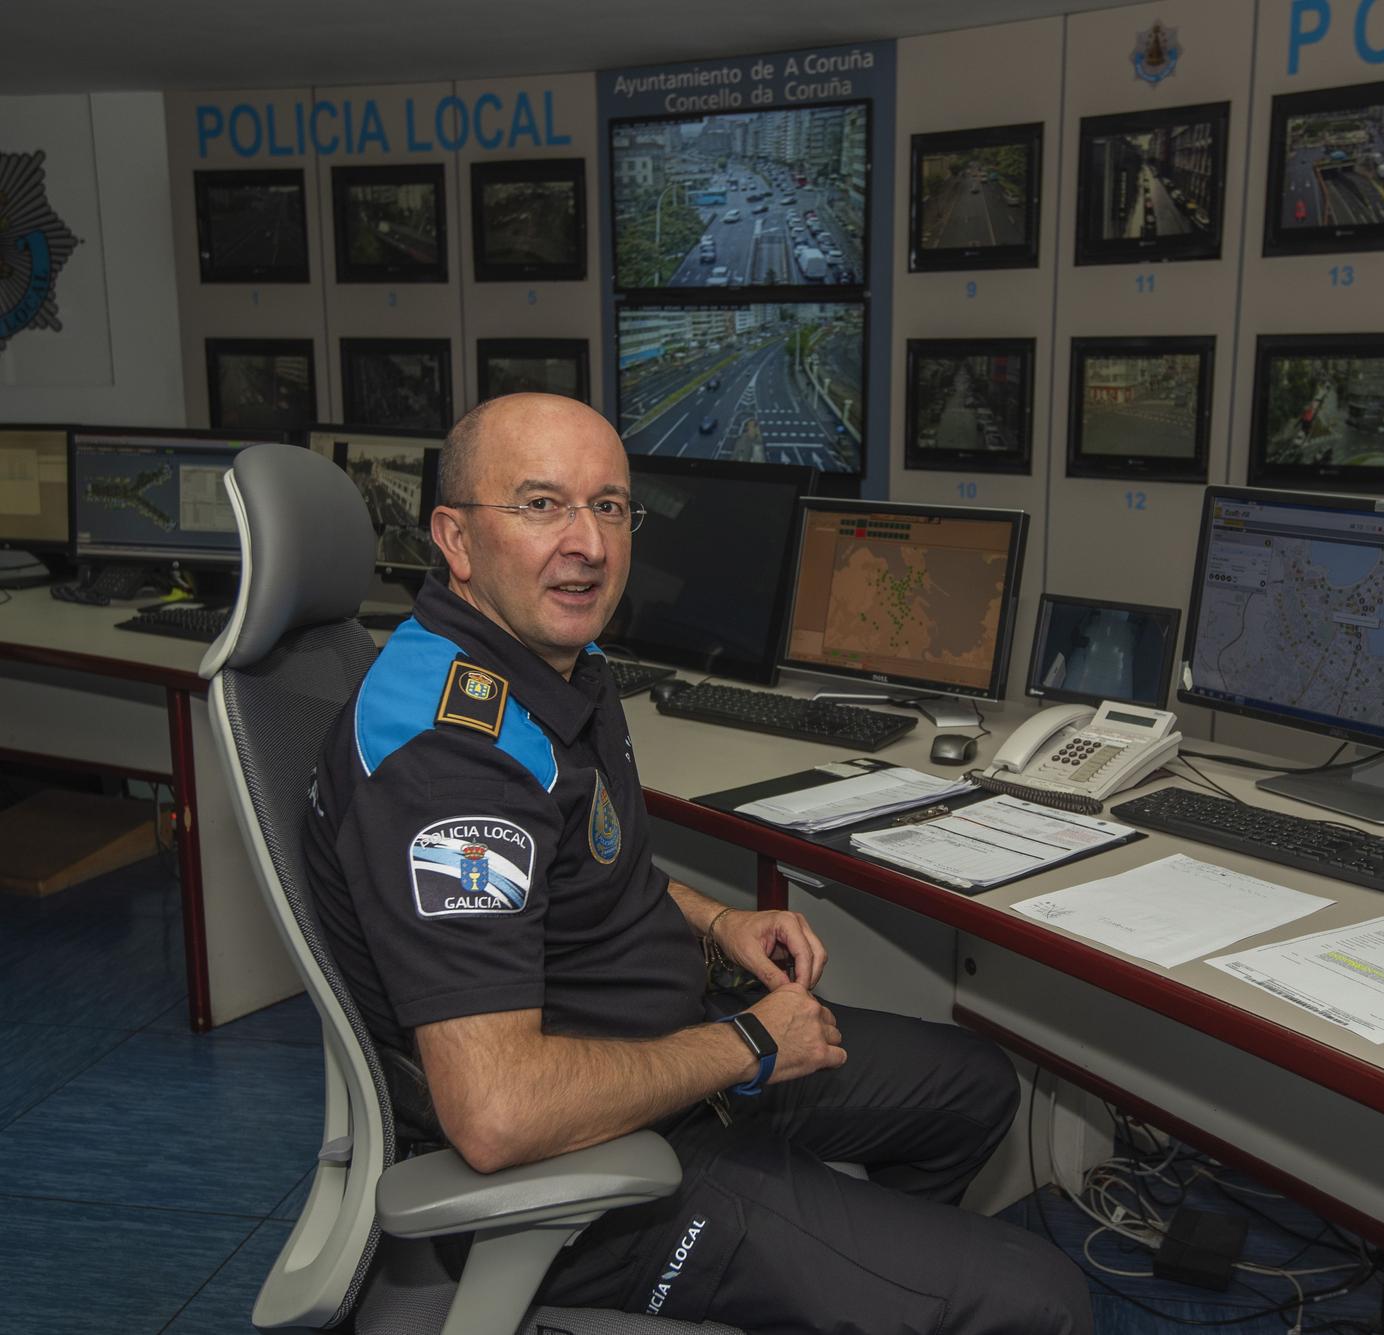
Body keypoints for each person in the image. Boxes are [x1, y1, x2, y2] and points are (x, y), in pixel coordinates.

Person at [302, 393, 1091, 1333]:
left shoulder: (550, 663)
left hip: (673, 1049)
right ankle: (848, 1265)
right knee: (1039, 1299)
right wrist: (751, 1045)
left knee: (970, 1085)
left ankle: (860, 1275)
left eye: (609, 506)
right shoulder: (451, 760)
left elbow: (583, 872)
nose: (588, 543)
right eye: (542, 505)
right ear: (455, 539)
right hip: (592, 1162)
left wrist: (718, 923)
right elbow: (499, 1111)